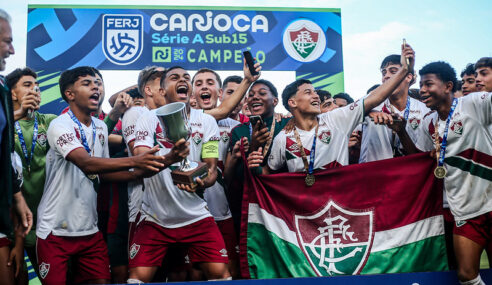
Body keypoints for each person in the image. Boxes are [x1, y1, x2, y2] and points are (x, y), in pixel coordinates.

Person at [35, 66, 165, 284]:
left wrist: (144, 171)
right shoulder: (60, 125)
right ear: (70, 94)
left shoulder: (100, 127)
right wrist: (136, 160)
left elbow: (102, 173)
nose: (96, 86)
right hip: (54, 231)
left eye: (98, 82)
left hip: (90, 231)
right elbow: (86, 164)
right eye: (87, 83)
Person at [248, 43, 415, 175]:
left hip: (340, 209)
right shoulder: (283, 139)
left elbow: (374, 98)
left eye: (315, 92)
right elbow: (268, 172)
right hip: (306, 213)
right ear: (292, 103)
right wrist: (254, 167)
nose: (316, 97)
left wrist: (404, 70)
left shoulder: (337, 119)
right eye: (308, 92)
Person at [392, 61, 491, 285]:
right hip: (465, 210)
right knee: (466, 275)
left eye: (429, 84)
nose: (423, 90)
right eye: (422, 85)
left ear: (448, 86)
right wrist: (401, 133)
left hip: (491, 201)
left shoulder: (474, 103)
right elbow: (418, 157)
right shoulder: (430, 123)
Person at [129, 66, 230, 283]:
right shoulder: (148, 119)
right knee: (137, 279)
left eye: (186, 78)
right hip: (155, 216)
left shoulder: (207, 122)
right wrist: (170, 159)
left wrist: (205, 180)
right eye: (174, 78)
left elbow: (211, 165)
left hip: (196, 215)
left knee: (221, 275)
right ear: (163, 90)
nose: (182, 80)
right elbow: (141, 160)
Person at [191, 61, 260, 278]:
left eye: (210, 83)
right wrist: (248, 79)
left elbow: (228, 177)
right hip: (190, 210)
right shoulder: (187, 119)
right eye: (199, 83)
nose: (204, 87)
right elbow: (224, 109)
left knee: (230, 269)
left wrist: (233, 160)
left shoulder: (236, 128)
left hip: (222, 208)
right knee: (192, 273)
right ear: (192, 92)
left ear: (219, 92)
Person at [6, 67, 57, 277]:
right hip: (11, 221)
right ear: (12, 93)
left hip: (46, 222)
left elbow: (92, 133)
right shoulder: (4, 123)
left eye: (36, 86)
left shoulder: (51, 122)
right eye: (27, 85)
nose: (34, 89)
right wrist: (16, 115)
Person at [224, 78, 290, 237]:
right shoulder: (238, 131)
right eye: (251, 95)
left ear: (275, 101)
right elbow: (229, 177)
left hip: (280, 203)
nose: (255, 97)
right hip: (246, 203)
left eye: (262, 93)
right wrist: (240, 155)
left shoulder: (287, 124)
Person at [0, 9, 33, 285]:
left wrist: (17, 195)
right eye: (6, 41)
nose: (12, 50)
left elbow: (3, 153)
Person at [359, 54, 429, 163]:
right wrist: (367, 111)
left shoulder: (424, 110)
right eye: (384, 72)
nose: (386, 76)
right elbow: (344, 116)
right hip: (373, 175)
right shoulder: (369, 103)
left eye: (393, 71)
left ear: (408, 77)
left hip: (409, 174)